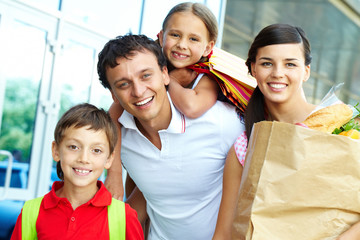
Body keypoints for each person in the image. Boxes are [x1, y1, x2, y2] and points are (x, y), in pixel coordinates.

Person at [212, 23, 360, 240]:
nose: (278, 73)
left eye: (290, 64)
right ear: (253, 69)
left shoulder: (341, 125)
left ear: (306, 71)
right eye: (266, 63)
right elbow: (224, 233)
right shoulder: (246, 147)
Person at [97, 33, 244, 239]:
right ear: (113, 95)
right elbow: (150, 196)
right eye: (123, 84)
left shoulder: (221, 122)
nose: (139, 91)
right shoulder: (119, 140)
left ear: (165, 74)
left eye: (146, 75)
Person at [105, 2, 221, 200]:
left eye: (193, 39)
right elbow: (113, 115)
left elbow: (191, 107)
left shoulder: (207, 77)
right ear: (161, 37)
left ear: (208, 47)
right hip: (148, 149)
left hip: (186, 164)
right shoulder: (148, 69)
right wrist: (114, 173)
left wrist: (169, 82)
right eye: (175, 35)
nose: (182, 44)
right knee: (137, 192)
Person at [11, 103, 144, 240]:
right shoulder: (31, 211)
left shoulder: (124, 216)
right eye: (74, 147)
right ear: (56, 150)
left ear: (109, 159)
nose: (84, 159)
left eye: (96, 150)